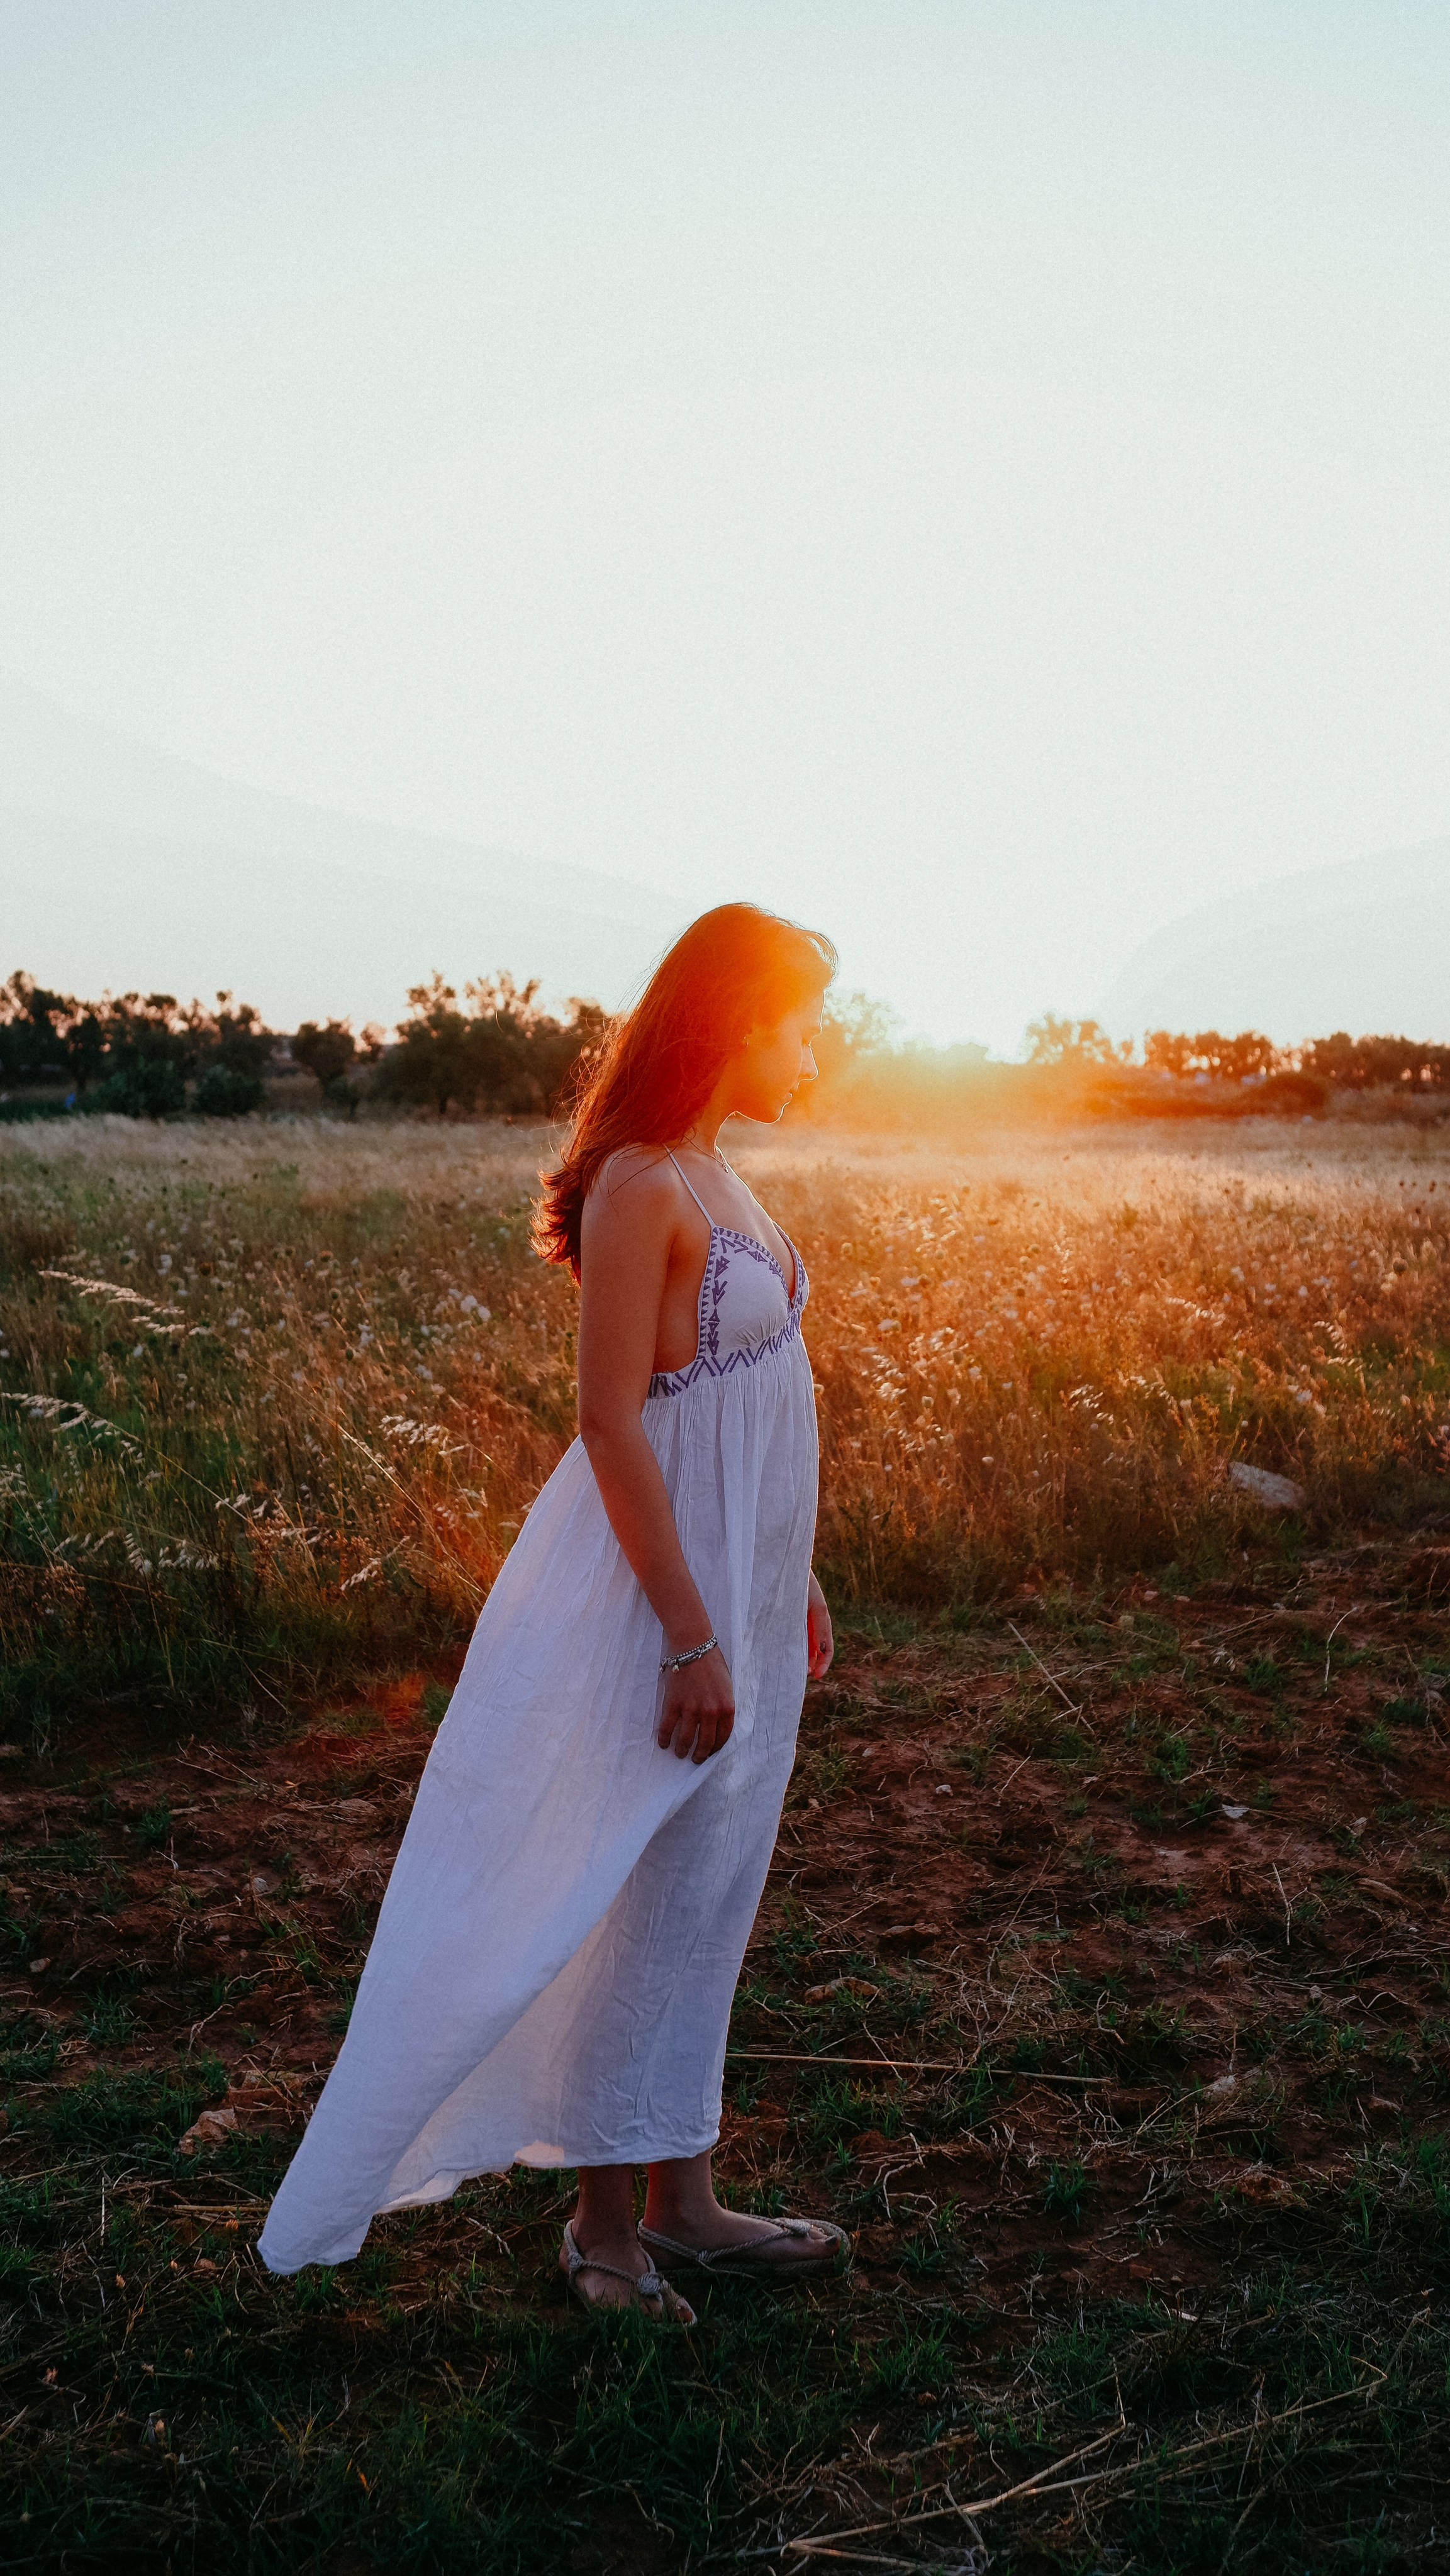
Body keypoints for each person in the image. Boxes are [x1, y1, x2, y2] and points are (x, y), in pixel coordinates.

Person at [257, 903, 844, 2319]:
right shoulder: (643, 1184)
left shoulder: (720, 1173)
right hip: (657, 1605)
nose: (820, 1048)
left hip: (741, 1594)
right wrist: (692, 1629)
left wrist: (790, 1572)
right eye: (802, 1019)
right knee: (624, 1881)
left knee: (704, 1891)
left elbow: (748, 1414)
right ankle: (601, 2232)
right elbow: (611, 1422)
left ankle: (684, 2199)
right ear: (730, 1018)